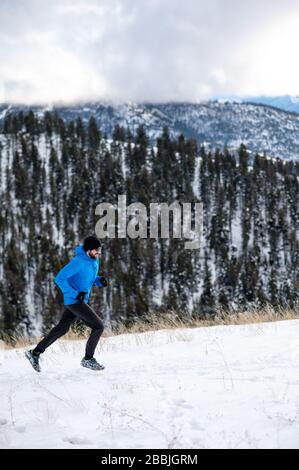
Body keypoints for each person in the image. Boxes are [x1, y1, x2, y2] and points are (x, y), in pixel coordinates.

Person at [25, 235, 107, 372]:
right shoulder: (78, 261)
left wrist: (99, 280)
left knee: (62, 328)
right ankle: (88, 359)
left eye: (99, 250)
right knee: (98, 326)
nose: (98, 252)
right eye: (95, 250)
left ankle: (35, 353)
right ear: (88, 250)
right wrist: (75, 294)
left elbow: (85, 279)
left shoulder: (93, 261)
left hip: (79, 300)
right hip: (75, 301)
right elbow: (59, 278)